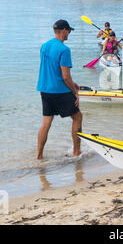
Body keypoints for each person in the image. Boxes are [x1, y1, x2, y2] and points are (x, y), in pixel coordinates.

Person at [36, 19, 83, 160]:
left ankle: (39, 156)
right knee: (78, 117)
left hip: (44, 89)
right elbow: (65, 76)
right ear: (63, 31)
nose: (69, 33)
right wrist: (75, 92)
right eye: (68, 31)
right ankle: (76, 153)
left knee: (46, 123)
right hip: (59, 91)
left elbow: (52, 69)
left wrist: (72, 83)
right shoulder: (64, 49)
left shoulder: (44, 46)